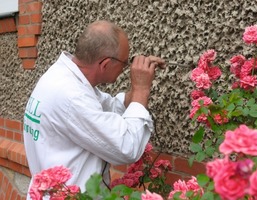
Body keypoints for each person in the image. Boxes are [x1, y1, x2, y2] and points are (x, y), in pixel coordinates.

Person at [23, 20, 166, 198]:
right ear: (105, 64)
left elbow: (110, 108)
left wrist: (138, 83)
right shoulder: (72, 96)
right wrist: (141, 89)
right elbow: (127, 147)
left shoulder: (62, 77)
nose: (126, 68)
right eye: (125, 62)